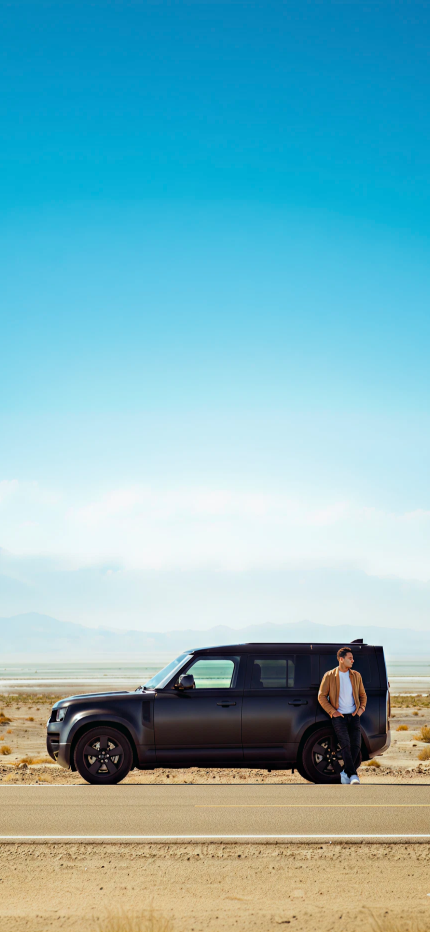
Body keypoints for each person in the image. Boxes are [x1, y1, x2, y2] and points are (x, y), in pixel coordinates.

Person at [318, 647, 367, 785]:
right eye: (350, 658)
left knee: (356, 746)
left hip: (354, 716)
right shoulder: (330, 676)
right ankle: (353, 775)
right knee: (345, 745)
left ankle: (345, 772)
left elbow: (363, 695)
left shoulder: (356, 675)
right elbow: (321, 696)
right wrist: (333, 712)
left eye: (352, 658)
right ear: (341, 659)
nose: (353, 660)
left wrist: (360, 710)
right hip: (339, 717)